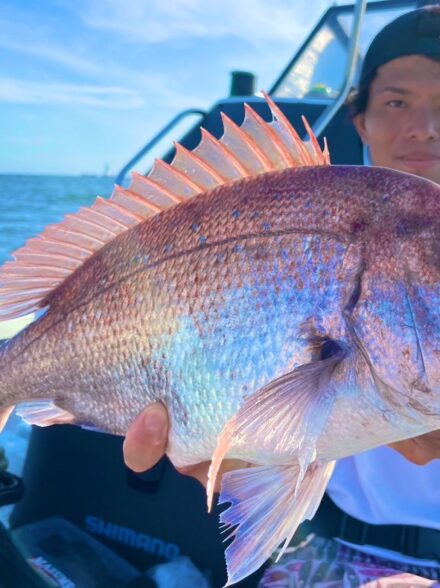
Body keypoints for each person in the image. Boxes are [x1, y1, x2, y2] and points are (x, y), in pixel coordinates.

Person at [123, 6, 440, 585]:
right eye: (397, 101)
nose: (424, 125)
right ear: (360, 119)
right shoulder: (306, 217)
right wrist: (220, 449)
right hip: (327, 541)